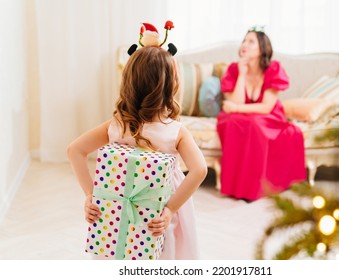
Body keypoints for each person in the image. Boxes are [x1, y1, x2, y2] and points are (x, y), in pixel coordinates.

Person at [67, 46, 207, 259]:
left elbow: (74, 150)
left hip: (118, 213)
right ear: (172, 85)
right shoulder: (176, 131)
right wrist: (170, 209)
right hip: (159, 211)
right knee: (162, 252)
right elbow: (199, 170)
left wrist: (91, 196)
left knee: (119, 252)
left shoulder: (116, 126)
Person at [216, 26, 306, 201]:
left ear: (262, 48)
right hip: (241, 116)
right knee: (233, 122)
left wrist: (235, 109)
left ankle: (256, 188)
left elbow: (265, 107)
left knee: (255, 124)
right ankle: (236, 187)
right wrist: (242, 74)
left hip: (268, 117)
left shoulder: (273, 69)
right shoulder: (234, 69)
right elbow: (237, 101)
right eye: (244, 40)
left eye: (251, 41)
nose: (245, 45)